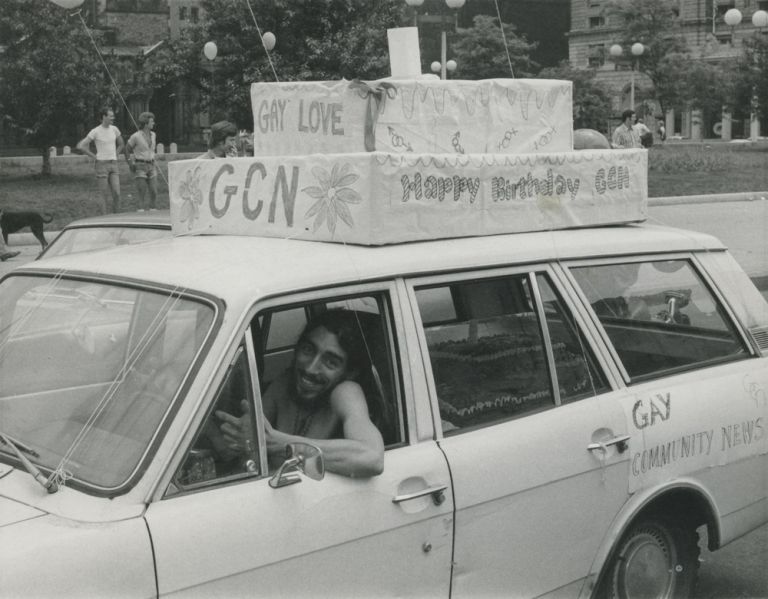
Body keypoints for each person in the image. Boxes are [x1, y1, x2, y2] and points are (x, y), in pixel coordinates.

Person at [216, 310, 385, 478]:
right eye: (308, 350)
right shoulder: (284, 383)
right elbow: (243, 444)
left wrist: (278, 443)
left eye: (330, 362)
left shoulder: (346, 392)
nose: (310, 368)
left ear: (350, 372)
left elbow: (372, 458)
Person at [77, 107, 125, 214]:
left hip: (113, 164)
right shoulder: (95, 131)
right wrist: (95, 157)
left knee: (117, 193)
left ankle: (117, 217)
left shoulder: (115, 129)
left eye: (113, 116)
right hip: (101, 165)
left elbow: (121, 144)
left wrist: (116, 154)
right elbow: (81, 146)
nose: (113, 118)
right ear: (104, 117)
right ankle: (104, 218)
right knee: (103, 194)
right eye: (111, 116)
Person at [124, 112, 158, 211]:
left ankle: (153, 209)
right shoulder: (136, 136)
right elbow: (127, 149)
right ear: (146, 124)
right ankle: (141, 210)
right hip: (140, 165)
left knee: (154, 191)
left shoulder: (153, 135)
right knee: (142, 191)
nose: (153, 123)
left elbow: (152, 150)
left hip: (152, 165)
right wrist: (130, 163)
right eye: (151, 121)